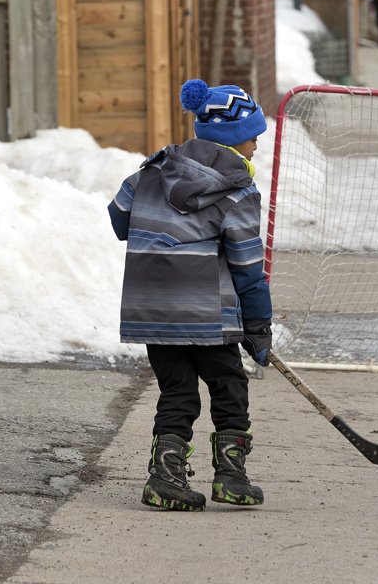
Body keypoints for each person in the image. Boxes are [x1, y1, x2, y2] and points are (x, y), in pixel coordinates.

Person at [108, 78, 273, 512]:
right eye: (253, 135)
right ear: (236, 139)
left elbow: (119, 219)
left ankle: (165, 478)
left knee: (177, 391)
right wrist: (258, 325)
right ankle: (231, 476)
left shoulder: (151, 171)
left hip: (153, 312)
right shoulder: (238, 191)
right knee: (228, 384)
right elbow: (246, 267)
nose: (257, 144)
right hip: (206, 314)